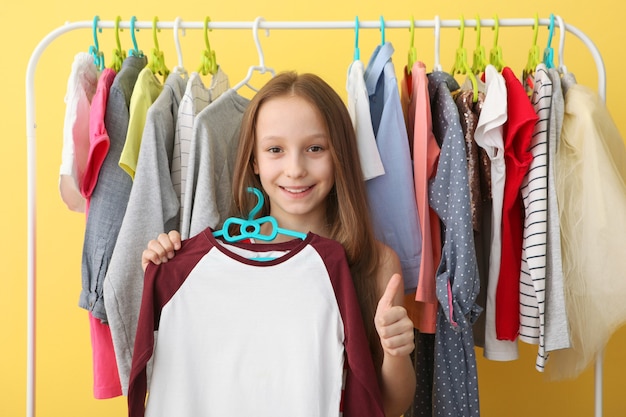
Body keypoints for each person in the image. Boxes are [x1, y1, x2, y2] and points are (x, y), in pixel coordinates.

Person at [141, 72, 416, 416]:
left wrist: (396, 351)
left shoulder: (375, 263)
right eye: (275, 150)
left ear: (340, 155)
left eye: (315, 148)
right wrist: (162, 274)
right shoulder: (214, 263)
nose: (295, 169)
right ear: (255, 160)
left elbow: (390, 406)